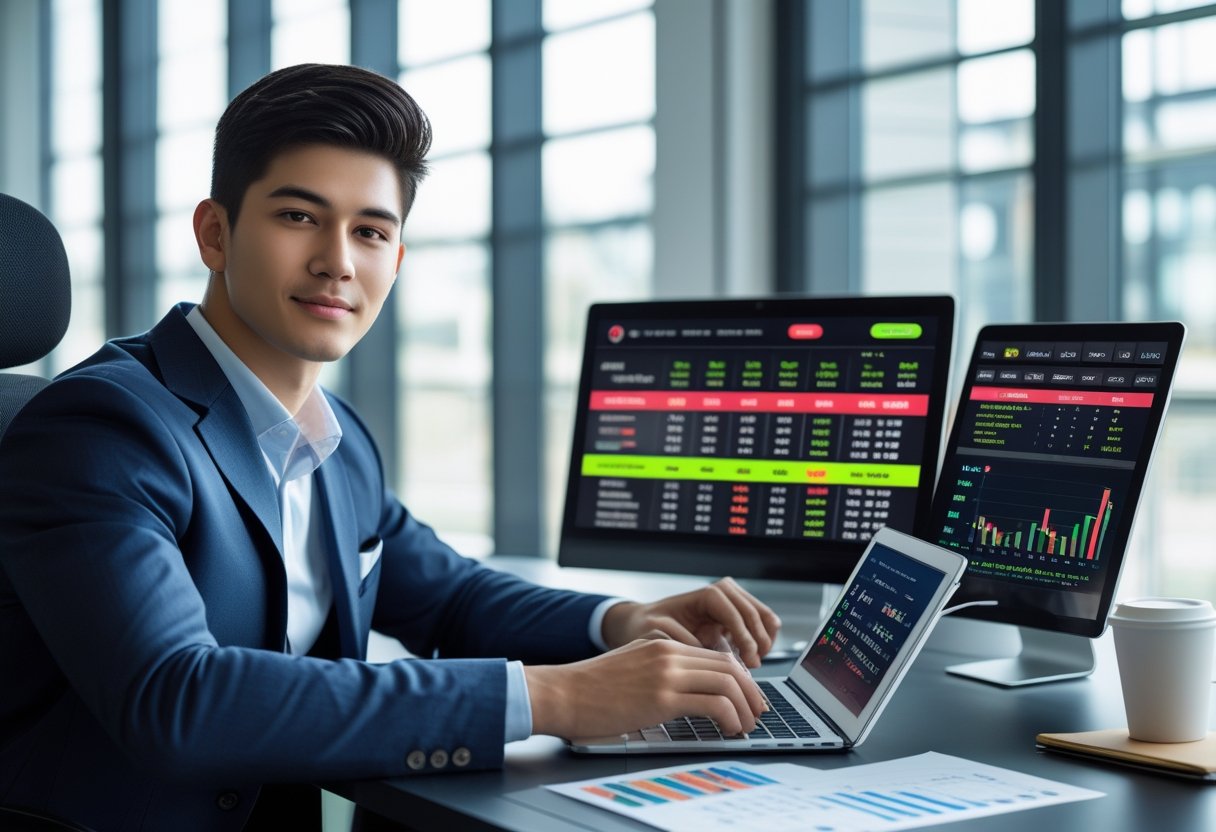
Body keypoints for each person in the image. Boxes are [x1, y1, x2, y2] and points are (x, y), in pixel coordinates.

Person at [0, 63, 779, 831]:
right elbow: (178, 698)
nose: (338, 261)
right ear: (215, 233)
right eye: (298, 217)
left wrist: (622, 624)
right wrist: (560, 697)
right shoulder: (101, 427)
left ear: (395, 261)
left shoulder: (335, 439)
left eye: (370, 231)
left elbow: (449, 596)